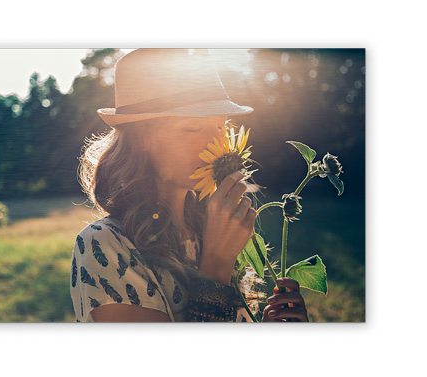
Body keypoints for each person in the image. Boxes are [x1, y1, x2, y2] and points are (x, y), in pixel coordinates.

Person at [70, 48, 309, 322]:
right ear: (142, 140)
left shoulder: (207, 229)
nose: (216, 144)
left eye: (221, 127)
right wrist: (217, 263)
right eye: (192, 129)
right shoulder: (105, 244)